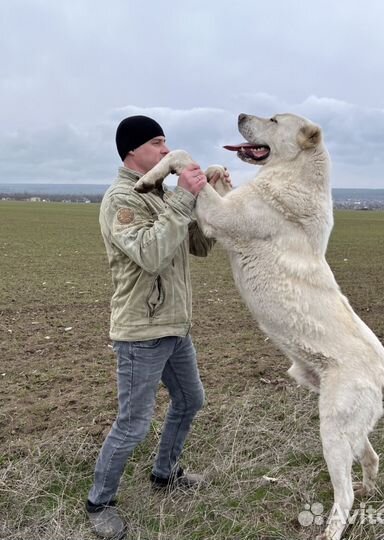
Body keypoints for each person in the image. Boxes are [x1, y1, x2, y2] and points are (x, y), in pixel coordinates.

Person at [86, 115, 230, 539]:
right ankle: (99, 502)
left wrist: (212, 197)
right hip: (141, 333)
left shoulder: (165, 196)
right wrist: (182, 200)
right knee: (133, 422)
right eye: (157, 143)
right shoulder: (120, 199)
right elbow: (150, 254)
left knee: (190, 400)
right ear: (133, 151)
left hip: (175, 327)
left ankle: (165, 474)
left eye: (167, 143)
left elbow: (199, 248)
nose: (167, 152)